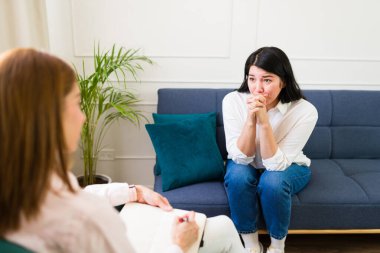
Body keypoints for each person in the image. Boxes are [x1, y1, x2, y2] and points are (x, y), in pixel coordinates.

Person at [0, 48, 246, 253]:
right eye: (76, 103)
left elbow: (74, 193)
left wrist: (133, 191)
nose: (84, 117)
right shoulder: (85, 221)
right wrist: (179, 245)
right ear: (48, 117)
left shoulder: (24, 191)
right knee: (223, 228)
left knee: (222, 227)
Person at [222, 47, 318, 253]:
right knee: (238, 176)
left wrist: (264, 123)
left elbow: (276, 164)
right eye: (252, 78)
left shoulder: (305, 111)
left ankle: (277, 247)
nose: (258, 88)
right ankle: (251, 246)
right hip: (245, 161)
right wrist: (251, 118)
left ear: (283, 81)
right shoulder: (233, 101)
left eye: (267, 80)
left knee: (272, 180)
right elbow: (240, 157)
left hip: (288, 165)